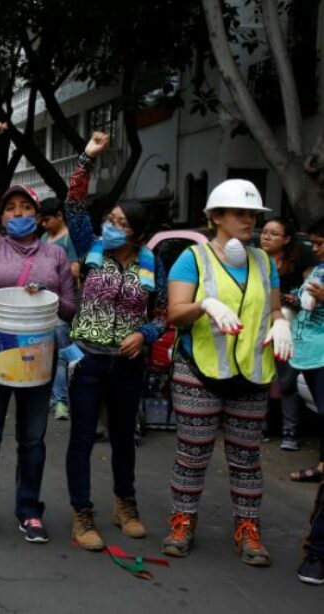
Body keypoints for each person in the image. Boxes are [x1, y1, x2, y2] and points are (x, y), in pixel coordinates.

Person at [162, 178, 292, 567]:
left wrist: (281, 321)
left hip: (251, 374)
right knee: (193, 453)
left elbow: (269, 310)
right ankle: (182, 522)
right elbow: (174, 312)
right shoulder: (193, 258)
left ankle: (248, 530)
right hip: (199, 369)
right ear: (216, 217)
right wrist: (204, 305)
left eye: (253, 213)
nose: (249, 219)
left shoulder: (263, 261)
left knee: (246, 457)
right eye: (240, 213)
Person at [0, 123, 77, 545]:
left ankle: (30, 511)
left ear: (38, 217)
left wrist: (45, 295)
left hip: (38, 356)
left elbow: (69, 307)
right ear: (2, 218)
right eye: (11, 210)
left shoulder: (55, 255)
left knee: (32, 439)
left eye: (26, 210)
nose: (19, 216)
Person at [61, 133, 168, 551]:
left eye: (123, 224)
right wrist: (88, 158)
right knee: (82, 438)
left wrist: (145, 334)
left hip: (127, 365)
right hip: (85, 360)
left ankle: (125, 505)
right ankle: (81, 513)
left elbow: (160, 314)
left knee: (124, 437)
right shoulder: (91, 248)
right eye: (111, 220)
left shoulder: (151, 263)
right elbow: (73, 204)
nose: (113, 227)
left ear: (139, 233)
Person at [260, 217, 315, 450]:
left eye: (273, 233)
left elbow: (311, 290)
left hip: (289, 328)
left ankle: (289, 431)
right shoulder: (254, 259)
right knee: (258, 378)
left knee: (287, 381)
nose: (266, 237)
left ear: (287, 239)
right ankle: (258, 426)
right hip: (259, 327)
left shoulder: (301, 258)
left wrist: (298, 299)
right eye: (264, 232)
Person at [38, 197, 80, 421]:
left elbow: (74, 270)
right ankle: (45, 397)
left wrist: (53, 272)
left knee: (64, 355)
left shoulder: (69, 239)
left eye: (46, 220)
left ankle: (60, 400)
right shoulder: (45, 238)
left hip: (62, 308)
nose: (43, 225)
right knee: (43, 356)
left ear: (59, 216)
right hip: (42, 308)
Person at [289, 219, 324, 486]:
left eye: (320, 243)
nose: (316, 249)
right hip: (310, 354)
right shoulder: (319, 269)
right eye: (313, 243)